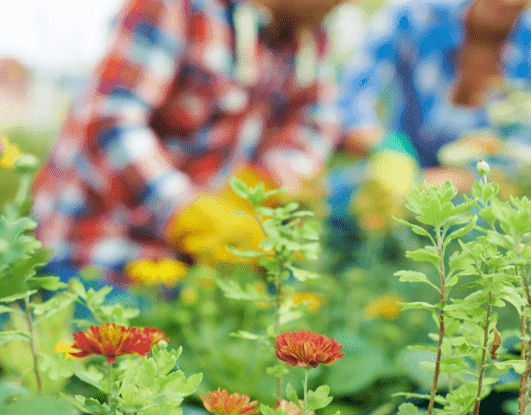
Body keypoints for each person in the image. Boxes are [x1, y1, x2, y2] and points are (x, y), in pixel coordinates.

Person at [31, 0, 347, 286]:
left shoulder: (310, 37)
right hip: (95, 254)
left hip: (192, 269)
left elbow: (317, 126)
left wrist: (263, 184)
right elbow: (110, 122)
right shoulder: (178, 7)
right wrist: (185, 213)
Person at [336, 0, 531, 201]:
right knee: (340, 198)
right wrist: (385, 148)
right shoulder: (416, 15)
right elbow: (351, 96)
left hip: (476, 190)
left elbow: (524, 151)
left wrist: (450, 182)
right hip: (394, 171)